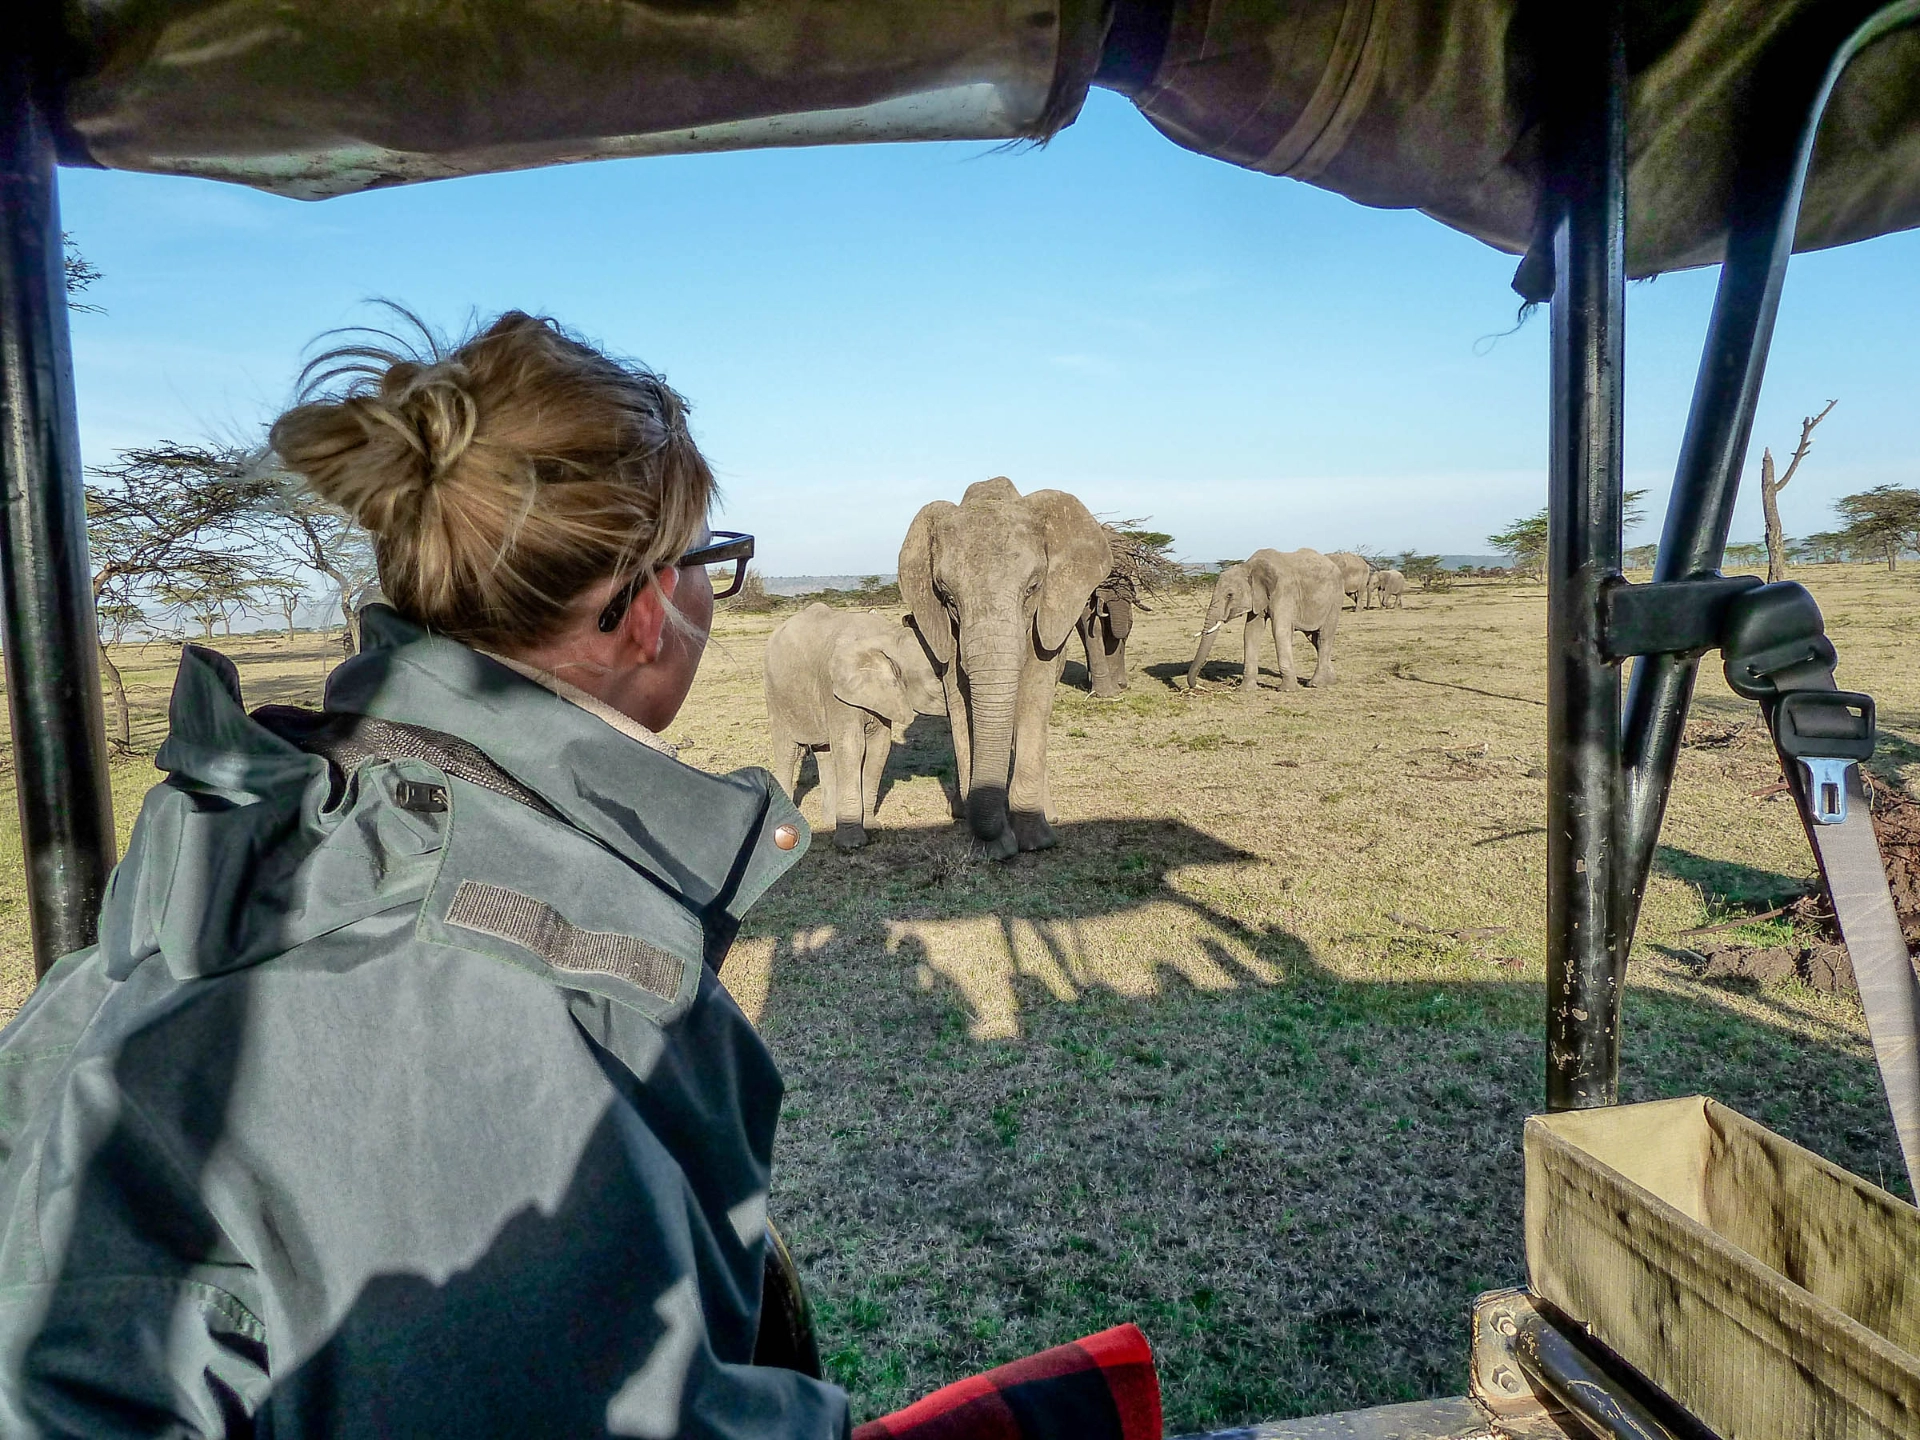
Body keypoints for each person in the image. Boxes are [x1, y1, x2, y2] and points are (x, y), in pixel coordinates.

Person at [0, 311, 848, 1436]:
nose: (706, 599)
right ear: (644, 609)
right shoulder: (496, 991)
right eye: (708, 566)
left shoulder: (264, 831)